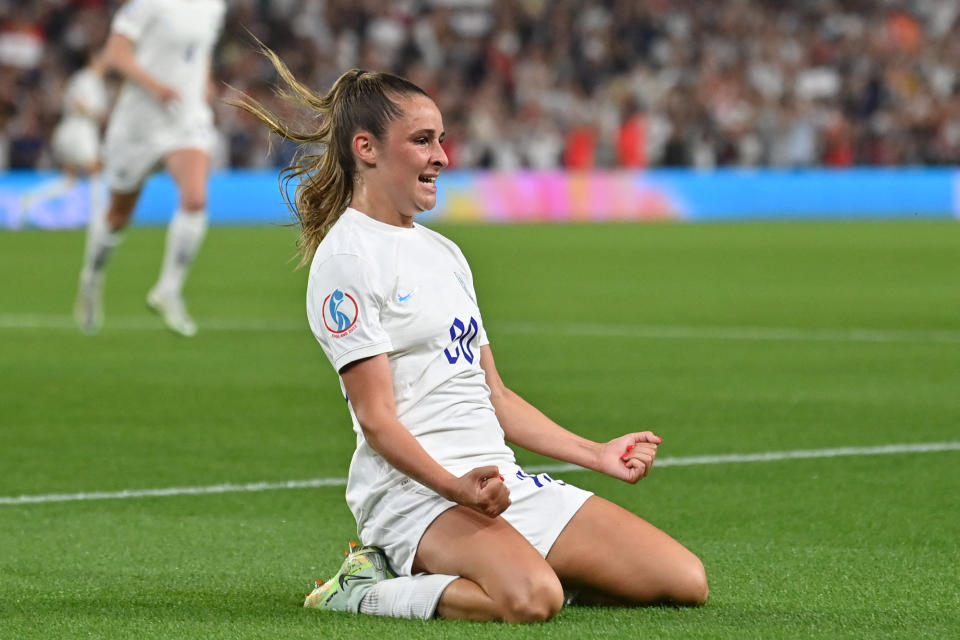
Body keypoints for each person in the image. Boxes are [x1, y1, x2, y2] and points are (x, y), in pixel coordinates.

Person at [234, 50, 708, 623]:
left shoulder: (445, 253)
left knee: (684, 582)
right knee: (534, 600)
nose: (442, 156)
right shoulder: (348, 260)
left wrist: (596, 454)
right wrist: (455, 488)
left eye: (441, 139)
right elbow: (379, 419)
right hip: (417, 494)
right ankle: (363, 587)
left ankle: (504, 563)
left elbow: (496, 397)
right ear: (367, 149)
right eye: (423, 140)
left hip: (496, 482)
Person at [74, 0, 226, 336]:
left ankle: (168, 290)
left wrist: (206, 84)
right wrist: (154, 85)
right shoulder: (146, 4)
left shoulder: (214, 6)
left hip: (186, 117)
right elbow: (115, 54)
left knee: (196, 198)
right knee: (117, 216)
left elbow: (199, 54)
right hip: (139, 122)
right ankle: (92, 279)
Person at [21, 49, 109, 228]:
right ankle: (97, 218)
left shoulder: (95, 81)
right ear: (93, 58)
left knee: (69, 181)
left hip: (76, 130)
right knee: (96, 169)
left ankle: (30, 198)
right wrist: (96, 113)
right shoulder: (86, 78)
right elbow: (76, 102)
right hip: (79, 130)